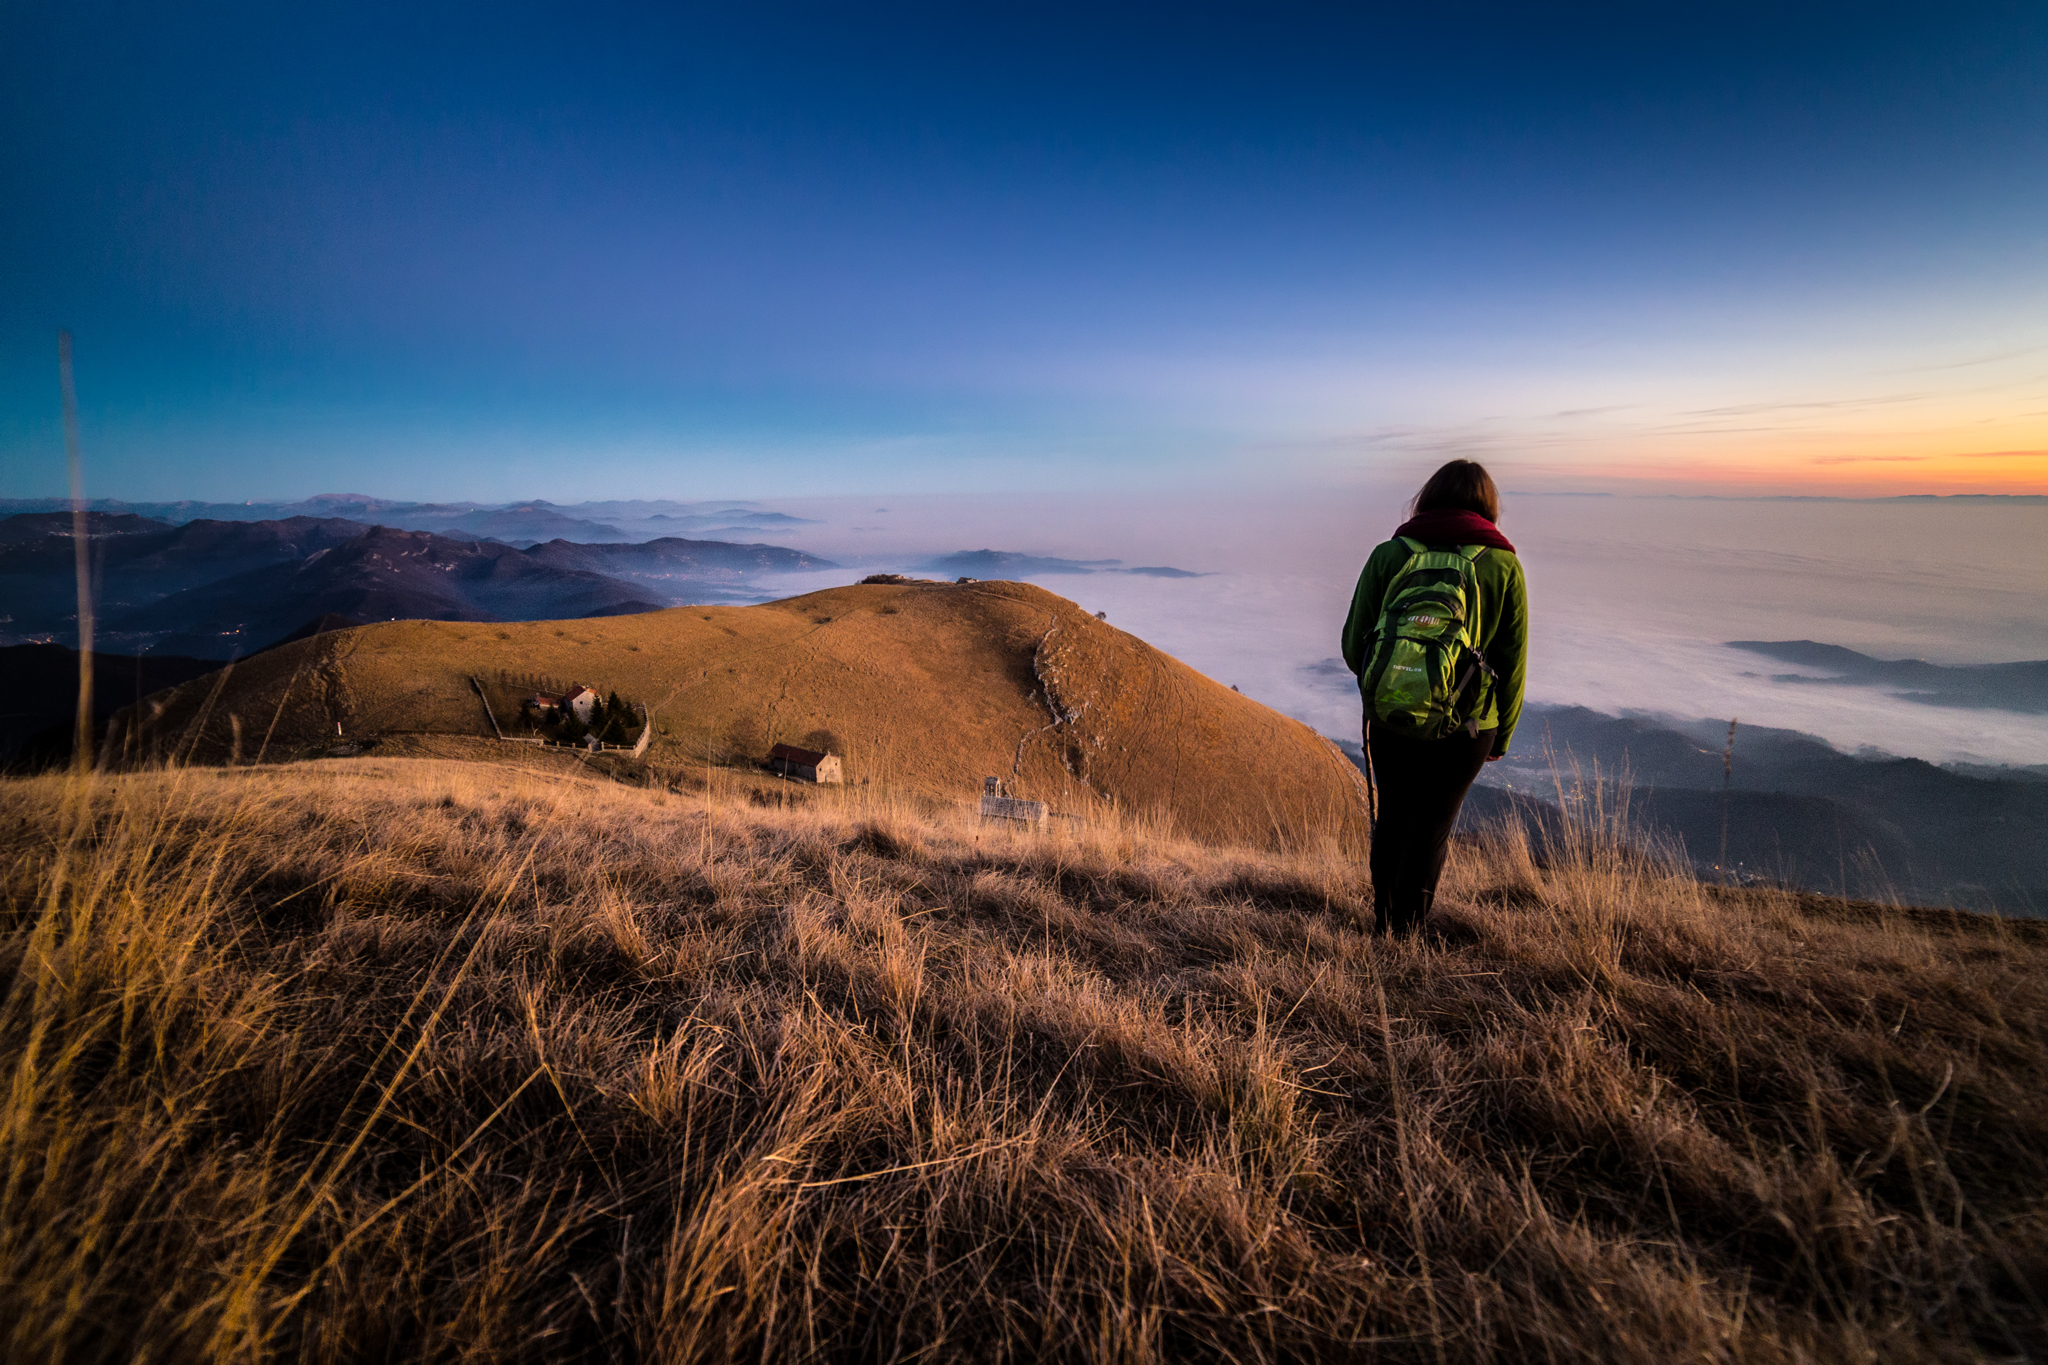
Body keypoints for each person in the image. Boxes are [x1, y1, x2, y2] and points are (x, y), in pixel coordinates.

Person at [1340, 460, 1528, 938]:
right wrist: (1500, 735)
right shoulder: (1503, 564)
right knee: (1431, 830)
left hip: (1393, 717)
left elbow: (1352, 644)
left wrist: (1394, 683)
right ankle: (1408, 934)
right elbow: (1511, 662)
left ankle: (1383, 926)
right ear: (1488, 506)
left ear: (1426, 497)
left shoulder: (1390, 554)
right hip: (1468, 727)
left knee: (1394, 818)